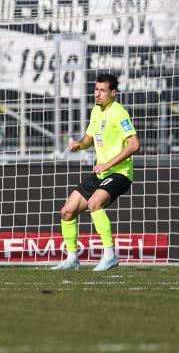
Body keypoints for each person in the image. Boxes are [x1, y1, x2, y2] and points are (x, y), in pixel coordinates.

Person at [53, 74, 139, 272]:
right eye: (96, 89)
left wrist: (108, 163)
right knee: (67, 211)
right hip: (101, 172)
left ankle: (110, 256)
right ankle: (72, 259)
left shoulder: (119, 113)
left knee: (94, 203)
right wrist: (78, 145)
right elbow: (89, 139)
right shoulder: (95, 112)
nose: (97, 94)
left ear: (113, 93)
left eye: (102, 90)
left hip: (120, 173)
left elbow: (134, 145)